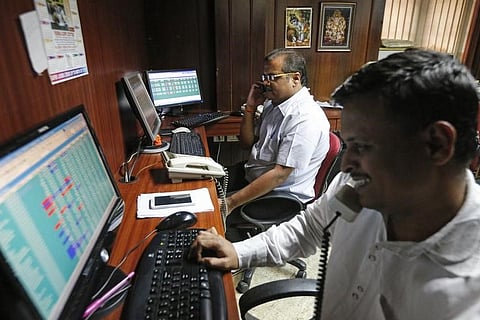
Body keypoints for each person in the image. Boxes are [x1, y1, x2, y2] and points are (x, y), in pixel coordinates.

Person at [191, 49, 480, 319]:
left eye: (363, 146)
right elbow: (310, 228)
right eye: (348, 144)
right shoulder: (358, 188)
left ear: (437, 145)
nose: (347, 163)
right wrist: (239, 252)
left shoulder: (466, 296)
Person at [224, 48, 330, 215]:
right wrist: (250, 107)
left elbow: (279, 175)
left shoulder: (305, 118)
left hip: (279, 197)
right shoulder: (273, 104)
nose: (265, 83)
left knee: (208, 210)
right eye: (264, 77)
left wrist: (230, 203)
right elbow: (246, 144)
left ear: (295, 78)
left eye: (272, 77)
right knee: (202, 185)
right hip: (253, 176)